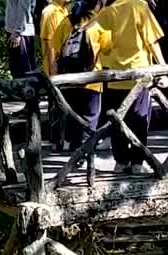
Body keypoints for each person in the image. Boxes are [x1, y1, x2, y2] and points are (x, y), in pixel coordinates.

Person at [92, 0, 166, 174]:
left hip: (113, 76)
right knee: (139, 120)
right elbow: (152, 41)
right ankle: (137, 163)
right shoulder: (139, 5)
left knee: (117, 121)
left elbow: (103, 47)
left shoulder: (106, 12)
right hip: (139, 75)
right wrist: (163, 67)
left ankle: (120, 161)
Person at [49, 0, 111, 147]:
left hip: (69, 77)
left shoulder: (67, 21)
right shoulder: (99, 22)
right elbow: (108, 48)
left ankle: (71, 144)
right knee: (90, 115)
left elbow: (54, 47)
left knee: (73, 113)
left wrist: (54, 72)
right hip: (92, 79)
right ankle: (86, 149)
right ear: (97, 4)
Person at [5, 0, 38, 77]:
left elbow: (24, 8)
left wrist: (18, 31)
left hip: (22, 33)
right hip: (15, 31)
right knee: (16, 71)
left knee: (26, 71)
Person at [39, 0, 70, 76]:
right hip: (55, 66)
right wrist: (53, 72)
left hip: (65, 63)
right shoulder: (49, 12)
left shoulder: (65, 10)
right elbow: (50, 44)